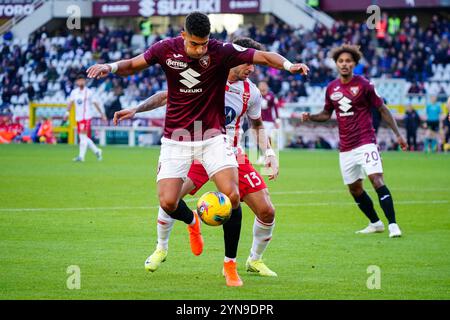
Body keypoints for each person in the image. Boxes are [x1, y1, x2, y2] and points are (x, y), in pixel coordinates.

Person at [87, 12, 308, 286]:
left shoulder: (221, 54)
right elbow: (135, 65)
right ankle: (185, 225)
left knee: (233, 196)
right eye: (194, 44)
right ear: (182, 36)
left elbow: (265, 57)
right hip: (177, 139)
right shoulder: (166, 50)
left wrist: (289, 66)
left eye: (204, 44)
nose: (200, 49)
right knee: (168, 202)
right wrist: (110, 68)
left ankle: (231, 265)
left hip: (215, 140)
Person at [114, 37, 279, 281]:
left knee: (266, 211)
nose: (252, 69)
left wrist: (269, 153)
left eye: (254, 65)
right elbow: (165, 96)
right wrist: (137, 109)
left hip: (231, 153)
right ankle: (161, 247)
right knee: (170, 199)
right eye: (248, 63)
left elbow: (256, 125)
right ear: (235, 58)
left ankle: (254, 260)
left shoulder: (251, 92)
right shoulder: (206, 74)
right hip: (195, 151)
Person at [302, 44, 407, 238]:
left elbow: (382, 109)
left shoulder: (365, 85)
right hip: (346, 147)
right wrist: (311, 117)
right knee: (355, 188)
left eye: (348, 61)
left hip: (366, 141)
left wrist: (398, 134)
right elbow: (326, 114)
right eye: (341, 61)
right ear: (336, 64)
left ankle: (393, 225)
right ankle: (375, 223)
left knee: (376, 180)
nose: (344, 64)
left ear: (354, 64)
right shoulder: (332, 87)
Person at [67, 73, 106, 162]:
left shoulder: (89, 92)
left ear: (85, 81)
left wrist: (102, 114)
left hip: (86, 117)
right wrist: (66, 113)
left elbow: (96, 103)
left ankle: (81, 157)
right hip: (78, 118)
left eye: (82, 80)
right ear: (77, 82)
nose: (81, 82)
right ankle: (97, 151)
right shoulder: (74, 92)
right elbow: (70, 103)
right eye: (79, 80)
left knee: (83, 137)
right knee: (84, 138)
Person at [257, 81, 279, 163]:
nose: (262, 86)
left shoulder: (271, 96)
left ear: (266, 86)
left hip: (269, 121)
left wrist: (277, 120)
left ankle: (268, 155)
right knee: (260, 138)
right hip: (259, 120)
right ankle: (262, 155)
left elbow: (275, 108)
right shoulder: (256, 95)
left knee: (267, 138)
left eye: (263, 85)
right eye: (260, 85)